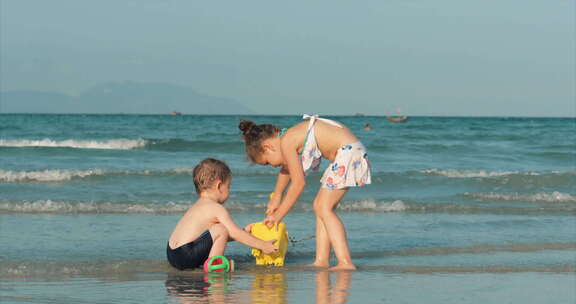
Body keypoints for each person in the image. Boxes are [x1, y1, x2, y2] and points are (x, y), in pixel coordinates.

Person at [238, 114, 371, 270]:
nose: (272, 166)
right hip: (348, 152)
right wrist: (277, 196)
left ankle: (345, 262)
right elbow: (287, 169)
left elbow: (299, 183)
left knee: (324, 208)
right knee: (319, 206)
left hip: (348, 153)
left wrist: (278, 215)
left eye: (267, 162)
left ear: (268, 146)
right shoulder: (286, 137)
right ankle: (321, 260)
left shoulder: (287, 142)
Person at [167, 158, 279, 270]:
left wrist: (243, 232)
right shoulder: (216, 208)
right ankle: (215, 266)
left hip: (172, 253)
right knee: (221, 229)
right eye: (228, 187)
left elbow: (216, 237)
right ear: (219, 186)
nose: (229, 190)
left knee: (219, 230)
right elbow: (233, 232)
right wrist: (263, 245)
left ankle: (206, 263)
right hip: (186, 254)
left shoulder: (197, 206)